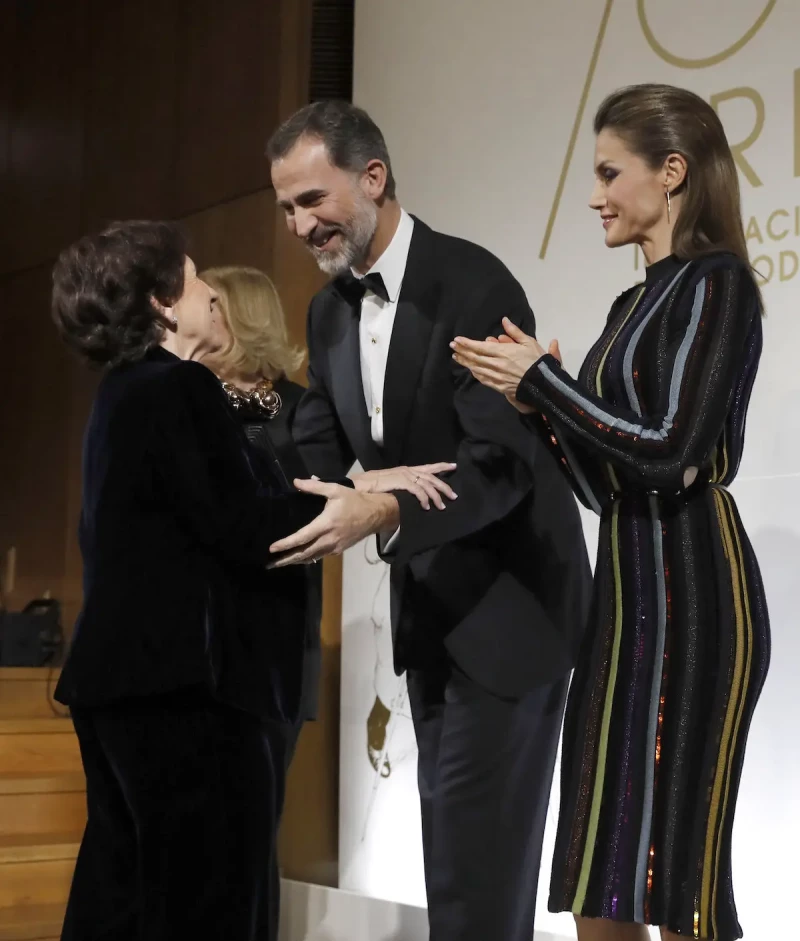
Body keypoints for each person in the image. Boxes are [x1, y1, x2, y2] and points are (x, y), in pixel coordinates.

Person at [265, 100, 593, 941]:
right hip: (433, 617)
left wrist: (385, 503)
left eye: (311, 199)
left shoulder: (473, 283)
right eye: (286, 207)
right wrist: (364, 481)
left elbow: (502, 463)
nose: (299, 224)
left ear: (373, 177)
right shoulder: (329, 310)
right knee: (456, 866)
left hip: (510, 615)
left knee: (478, 878)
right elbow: (322, 446)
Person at [453, 83, 770, 941]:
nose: (593, 195)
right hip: (626, 602)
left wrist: (547, 384)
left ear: (671, 173)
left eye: (607, 172)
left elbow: (673, 454)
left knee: (680, 874)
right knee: (603, 866)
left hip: (697, 601)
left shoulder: (720, 285)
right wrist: (540, 412)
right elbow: (606, 485)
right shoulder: (631, 304)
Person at [50, 221, 372, 941]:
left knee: (124, 898)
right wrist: (360, 499)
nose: (209, 296)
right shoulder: (179, 386)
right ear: (165, 304)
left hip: (121, 685)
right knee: (207, 906)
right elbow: (242, 524)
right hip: (185, 690)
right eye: (196, 282)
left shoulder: (121, 393)